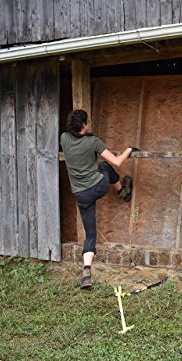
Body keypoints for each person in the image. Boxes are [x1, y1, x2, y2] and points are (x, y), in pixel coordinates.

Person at [60, 109, 136, 289]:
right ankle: (122, 192)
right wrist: (129, 149)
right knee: (105, 167)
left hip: (81, 195)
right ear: (84, 125)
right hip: (98, 187)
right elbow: (116, 162)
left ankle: (86, 272)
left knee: (90, 234)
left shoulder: (64, 138)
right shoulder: (93, 142)